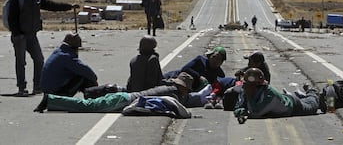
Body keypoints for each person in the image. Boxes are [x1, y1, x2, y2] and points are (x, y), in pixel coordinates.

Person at [7, 0, 79, 96]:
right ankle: (21, 87)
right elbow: (11, 18)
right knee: (21, 61)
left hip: (31, 35)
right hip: (20, 36)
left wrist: (69, 6)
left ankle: (37, 86)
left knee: (39, 59)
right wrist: (17, 34)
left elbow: (51, 5)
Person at [34, 72, 211, 113]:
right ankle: (50, 100)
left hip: (124, 97)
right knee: (88, 106)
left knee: (88, 105)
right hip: (123, 100)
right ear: (183, 87)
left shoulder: (169, 88)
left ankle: (52, 102)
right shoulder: (171, 94)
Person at [233, 68, 322, 122]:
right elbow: (237, 108)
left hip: (293, 106)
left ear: (256, 86)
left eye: (247, 85)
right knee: (306, 100)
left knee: (313, 105)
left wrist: (248, 100)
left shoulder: (268, 94)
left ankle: (313, 92)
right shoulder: (245, 90)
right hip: (284, 100)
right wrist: (242, 110)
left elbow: (256, 113)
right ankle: (303, 93)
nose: (244, 87)